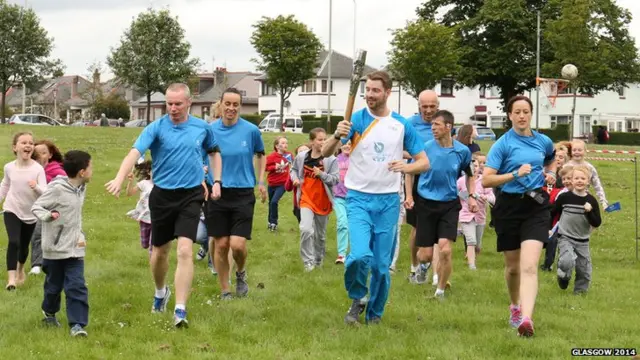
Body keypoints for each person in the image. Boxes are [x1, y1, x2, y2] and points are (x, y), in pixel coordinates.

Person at [105, 83, 222, 328]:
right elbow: (134, 153)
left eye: (178, 103)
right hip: (162, 197)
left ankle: (180, 309)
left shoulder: (202, 128)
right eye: (169, 103)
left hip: (191, 195)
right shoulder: (155, 128)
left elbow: (213, 153)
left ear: (189, 102)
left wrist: (217, 180)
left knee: (185, 251)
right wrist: (118, 177)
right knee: (159, 253)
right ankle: (160, 292)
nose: (173, 108)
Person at [321, 70, 429, 325]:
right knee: (359, 256)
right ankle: (357, 298)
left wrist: (407, 167)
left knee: (381, 266)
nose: (369, 94)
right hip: (358, 198)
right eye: (367, 90)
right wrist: (337, 134)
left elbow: (423, 162)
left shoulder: (401, 125)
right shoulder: (355, 120)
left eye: (375, 90)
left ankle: (375, 315)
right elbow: (325, 153)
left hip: (388, 202)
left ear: (388, 92)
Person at [482, 95, 557, 337]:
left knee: (529, 266)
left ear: (531, 114)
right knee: (513, 268)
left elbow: (551, 158)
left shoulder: (542, 140)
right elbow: (486, 179)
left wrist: (550, 173)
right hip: (508, 207)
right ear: (510, 115)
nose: (522, 116)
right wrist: (514, 174)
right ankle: (515, 306)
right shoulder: (502, 145)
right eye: (517, 112)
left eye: (526, 111)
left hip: (536, 207)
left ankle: (527, 319)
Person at [208, 87, 267, 300]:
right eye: (228, 104)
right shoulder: (210, 130)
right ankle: (225, 290)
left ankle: (241, 272)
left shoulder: (251, 131)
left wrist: (261, 181)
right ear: (221, 104)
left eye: (235, 104)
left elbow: (261, 155)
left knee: (237, 245)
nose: (231, 108)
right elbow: (200, 156)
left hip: (242, 192)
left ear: (239, 106)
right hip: (217, 192)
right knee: (221, 244)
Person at [413, 110, 477, 299]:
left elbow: (470, 176)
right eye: (431, 125)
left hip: (449, 204)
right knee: (424, 255)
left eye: (437, 125)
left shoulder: (462, 151)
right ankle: (423, 267)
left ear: (448, 127)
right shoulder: (425, 148)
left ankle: (440, 291)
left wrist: (471, 196)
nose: (432, 128)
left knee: (445, 249)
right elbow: (411, 171)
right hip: (426, 203)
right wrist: (409, 195)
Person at [32, 150, 92, 337]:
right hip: (54, 249)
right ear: (82, 172)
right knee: (53, 287)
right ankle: (49, 313)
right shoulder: (57, 188)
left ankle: (77, 325)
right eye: (91, 167)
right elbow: (37, 206)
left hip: (75, 247)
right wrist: (49, 216)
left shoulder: (81, 187)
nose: (92, 171)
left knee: (76, 285)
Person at [1, 132, 47, 290]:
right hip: (11, 208)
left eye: (31, 143)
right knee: (13, 241)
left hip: (30, 213)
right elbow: (5, 186)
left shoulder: (38, 169)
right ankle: (11, 280)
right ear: (15, 147)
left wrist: (37, 187)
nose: (28, 145)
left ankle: (21, 270)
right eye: (23, 143)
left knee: (24, 246)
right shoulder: (9, 167)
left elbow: (45, 192)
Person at [291, 128, 339, 271]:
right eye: (319, 139)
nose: (323, 142)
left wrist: (322, 175)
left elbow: (336, 180)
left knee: (320, 236)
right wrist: (295, 180)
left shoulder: (330, 159)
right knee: (306, 229)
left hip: (323, 201)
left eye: (325, 139)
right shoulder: (302, 157)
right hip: (306, 199)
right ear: (311, 141)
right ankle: (308, 262)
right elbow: (293, 170)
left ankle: (318, 260)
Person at [404, 90, 438, 285]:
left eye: (432, 106)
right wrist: (417, 156)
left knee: (438, 230)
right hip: (417, 180)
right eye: (424, 106)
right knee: (417, 229)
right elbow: (400, 149)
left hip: (439, 181)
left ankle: (434, 272)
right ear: (419, 107)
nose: (428, 110)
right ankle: (414, 266)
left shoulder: (443, 123)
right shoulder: (410, 124)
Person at [552, 165, 602, 294]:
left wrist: (589, 212)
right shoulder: (564, 198)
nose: (579, 181)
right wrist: (548, 228)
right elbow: (553, 213)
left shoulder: (591, 200)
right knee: (566, 260)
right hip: (565, 236)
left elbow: (597, 222)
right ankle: (564, 276)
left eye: (583, 178)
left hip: (583, 240)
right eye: (576, 178)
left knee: (584, 269)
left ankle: (580, 293)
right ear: (572, 181)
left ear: (588, 181)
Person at [29, 140, 67, 275]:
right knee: (37, 236)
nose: (40, 156)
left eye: (44, 153)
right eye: (37, 153)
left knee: (44, 235)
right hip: (36, 208)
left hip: (54, 209)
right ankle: (38, 264)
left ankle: (40, 264)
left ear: (50, 155)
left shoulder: (57, 171)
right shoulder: (32, 170)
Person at [457, 153, 494, 270]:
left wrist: (485, 197)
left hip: (480, 216)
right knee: (471, 241)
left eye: (476, 166)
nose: (474, 168)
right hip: (465, 215)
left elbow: (493, 198)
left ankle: (474, 256)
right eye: (472, 166)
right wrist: (463, 196)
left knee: (477, 244)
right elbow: (454, 195)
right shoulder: (461, 181)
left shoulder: (484, 181)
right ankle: (472, 265)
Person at [541, 165, 574, 272]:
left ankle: (566, 265)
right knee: (552, 241)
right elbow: (554, 208)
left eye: (569, 178)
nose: (566, 181)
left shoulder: (583, 193)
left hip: (574, 226)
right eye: (564, 179)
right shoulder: (561, 193)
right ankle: (548, 265)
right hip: (558, 223)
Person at [567, 139, 608, 209]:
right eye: (574, 150)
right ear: (571, 152)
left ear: (585, 152)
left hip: (584, 199)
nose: (577, 152)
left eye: (579, 150)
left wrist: (603, 201)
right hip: (568, 198)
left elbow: (597, 185)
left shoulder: (590, 168)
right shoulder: (566, 166)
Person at [125, 160, 153, 256]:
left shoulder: (164, 184)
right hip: (145, 219)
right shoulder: (144, 183)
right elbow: (129, 193)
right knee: (145, 244)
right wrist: (130, 181)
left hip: (158, 219)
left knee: (152, 246)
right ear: (149, 172)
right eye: (154, 171)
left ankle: (153, 265)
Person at [265, 136, 293, 232]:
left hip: (283, 184)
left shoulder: (289, 155)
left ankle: (274, 223)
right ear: (277, 146)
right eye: (283, 143)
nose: (286, 145)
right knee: (270, 202)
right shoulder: (271, 157)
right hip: (272, 183)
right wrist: (274, 167)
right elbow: (265, 168)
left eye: (286, 143)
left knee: (274, 201)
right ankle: (269, 222)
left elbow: (294, 166)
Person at [332, 141, 351, 264]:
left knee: (355, 226)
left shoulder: (358, 159)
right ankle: (341, 254)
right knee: (342, 223)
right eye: (345, 143)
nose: (347, 145)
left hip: (354, 198)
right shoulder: (334, 160)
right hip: (338, 197)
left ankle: (356, 253)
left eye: (350, 142)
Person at [285, 144, 310, 223]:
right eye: (300, 152)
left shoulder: (316, 167)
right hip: (299, 204)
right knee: (305, 230)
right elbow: (288, 188)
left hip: (314, 203)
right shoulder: (294, 171)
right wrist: (293, 180)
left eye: (306, 151)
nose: (303, 153)